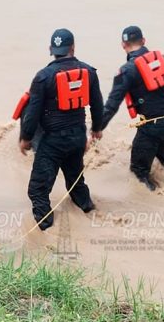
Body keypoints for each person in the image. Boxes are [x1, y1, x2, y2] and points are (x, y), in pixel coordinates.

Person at [18, 29, 103, 230]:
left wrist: (26, 137)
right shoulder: (89, 72)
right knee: (75, 182)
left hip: (52, 142)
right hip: (77, 138)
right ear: (73, 48)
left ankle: (45, 229)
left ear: (51, 50)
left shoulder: (43, 77)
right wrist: (96, 130)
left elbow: (33, 113)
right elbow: (97, 105)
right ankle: (89, 210)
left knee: (37, 190)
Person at [102, 25, 164, 191]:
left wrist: (96, 129)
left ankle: (156, 200)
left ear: (123, 45)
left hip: (150, 127)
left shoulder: (127, 70)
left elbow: (112, 105)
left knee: (138, 173)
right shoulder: (162, 60)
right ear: (143, 41)